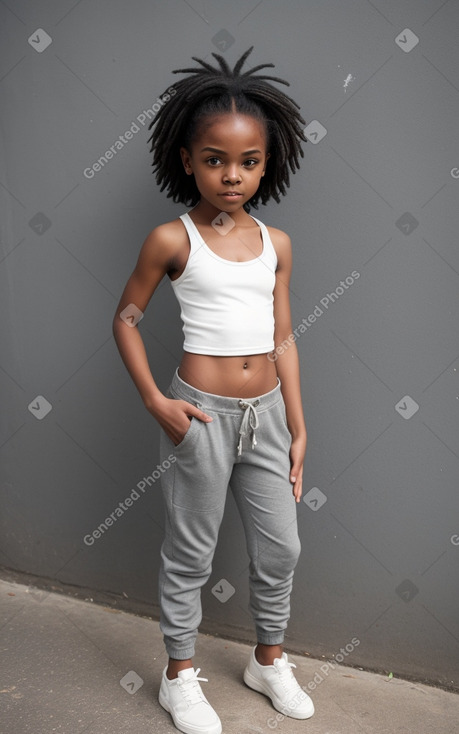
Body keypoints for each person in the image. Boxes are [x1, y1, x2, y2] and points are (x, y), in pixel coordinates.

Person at [113, 47, 314, 734]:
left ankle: (268, 659)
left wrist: (297, 424)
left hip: (266, 417)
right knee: (190, 551)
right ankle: (177, 676)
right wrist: (154, 402)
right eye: (214, 160)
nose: (232, 175)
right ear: (186, 160)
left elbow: (283, 337)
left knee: (281, 545)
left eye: (248, 161)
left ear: (268, 161)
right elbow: (126, 319)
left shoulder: (275, 242)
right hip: (198, 414)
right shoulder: (172, 238)